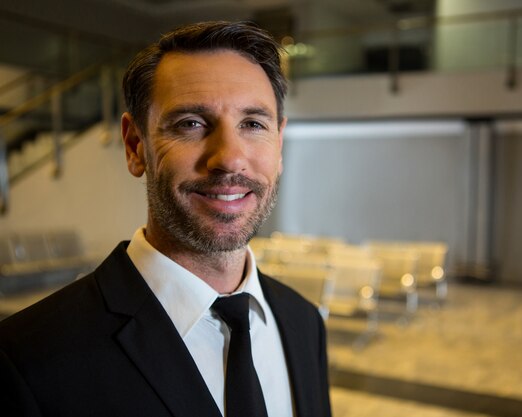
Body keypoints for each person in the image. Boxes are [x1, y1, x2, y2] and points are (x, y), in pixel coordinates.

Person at [0, 21, 332, 417]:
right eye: (191, 123)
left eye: (253, 124)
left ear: (278, 146)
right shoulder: (27, 358)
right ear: (135, 146)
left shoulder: (304, 322)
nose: (228, 157)